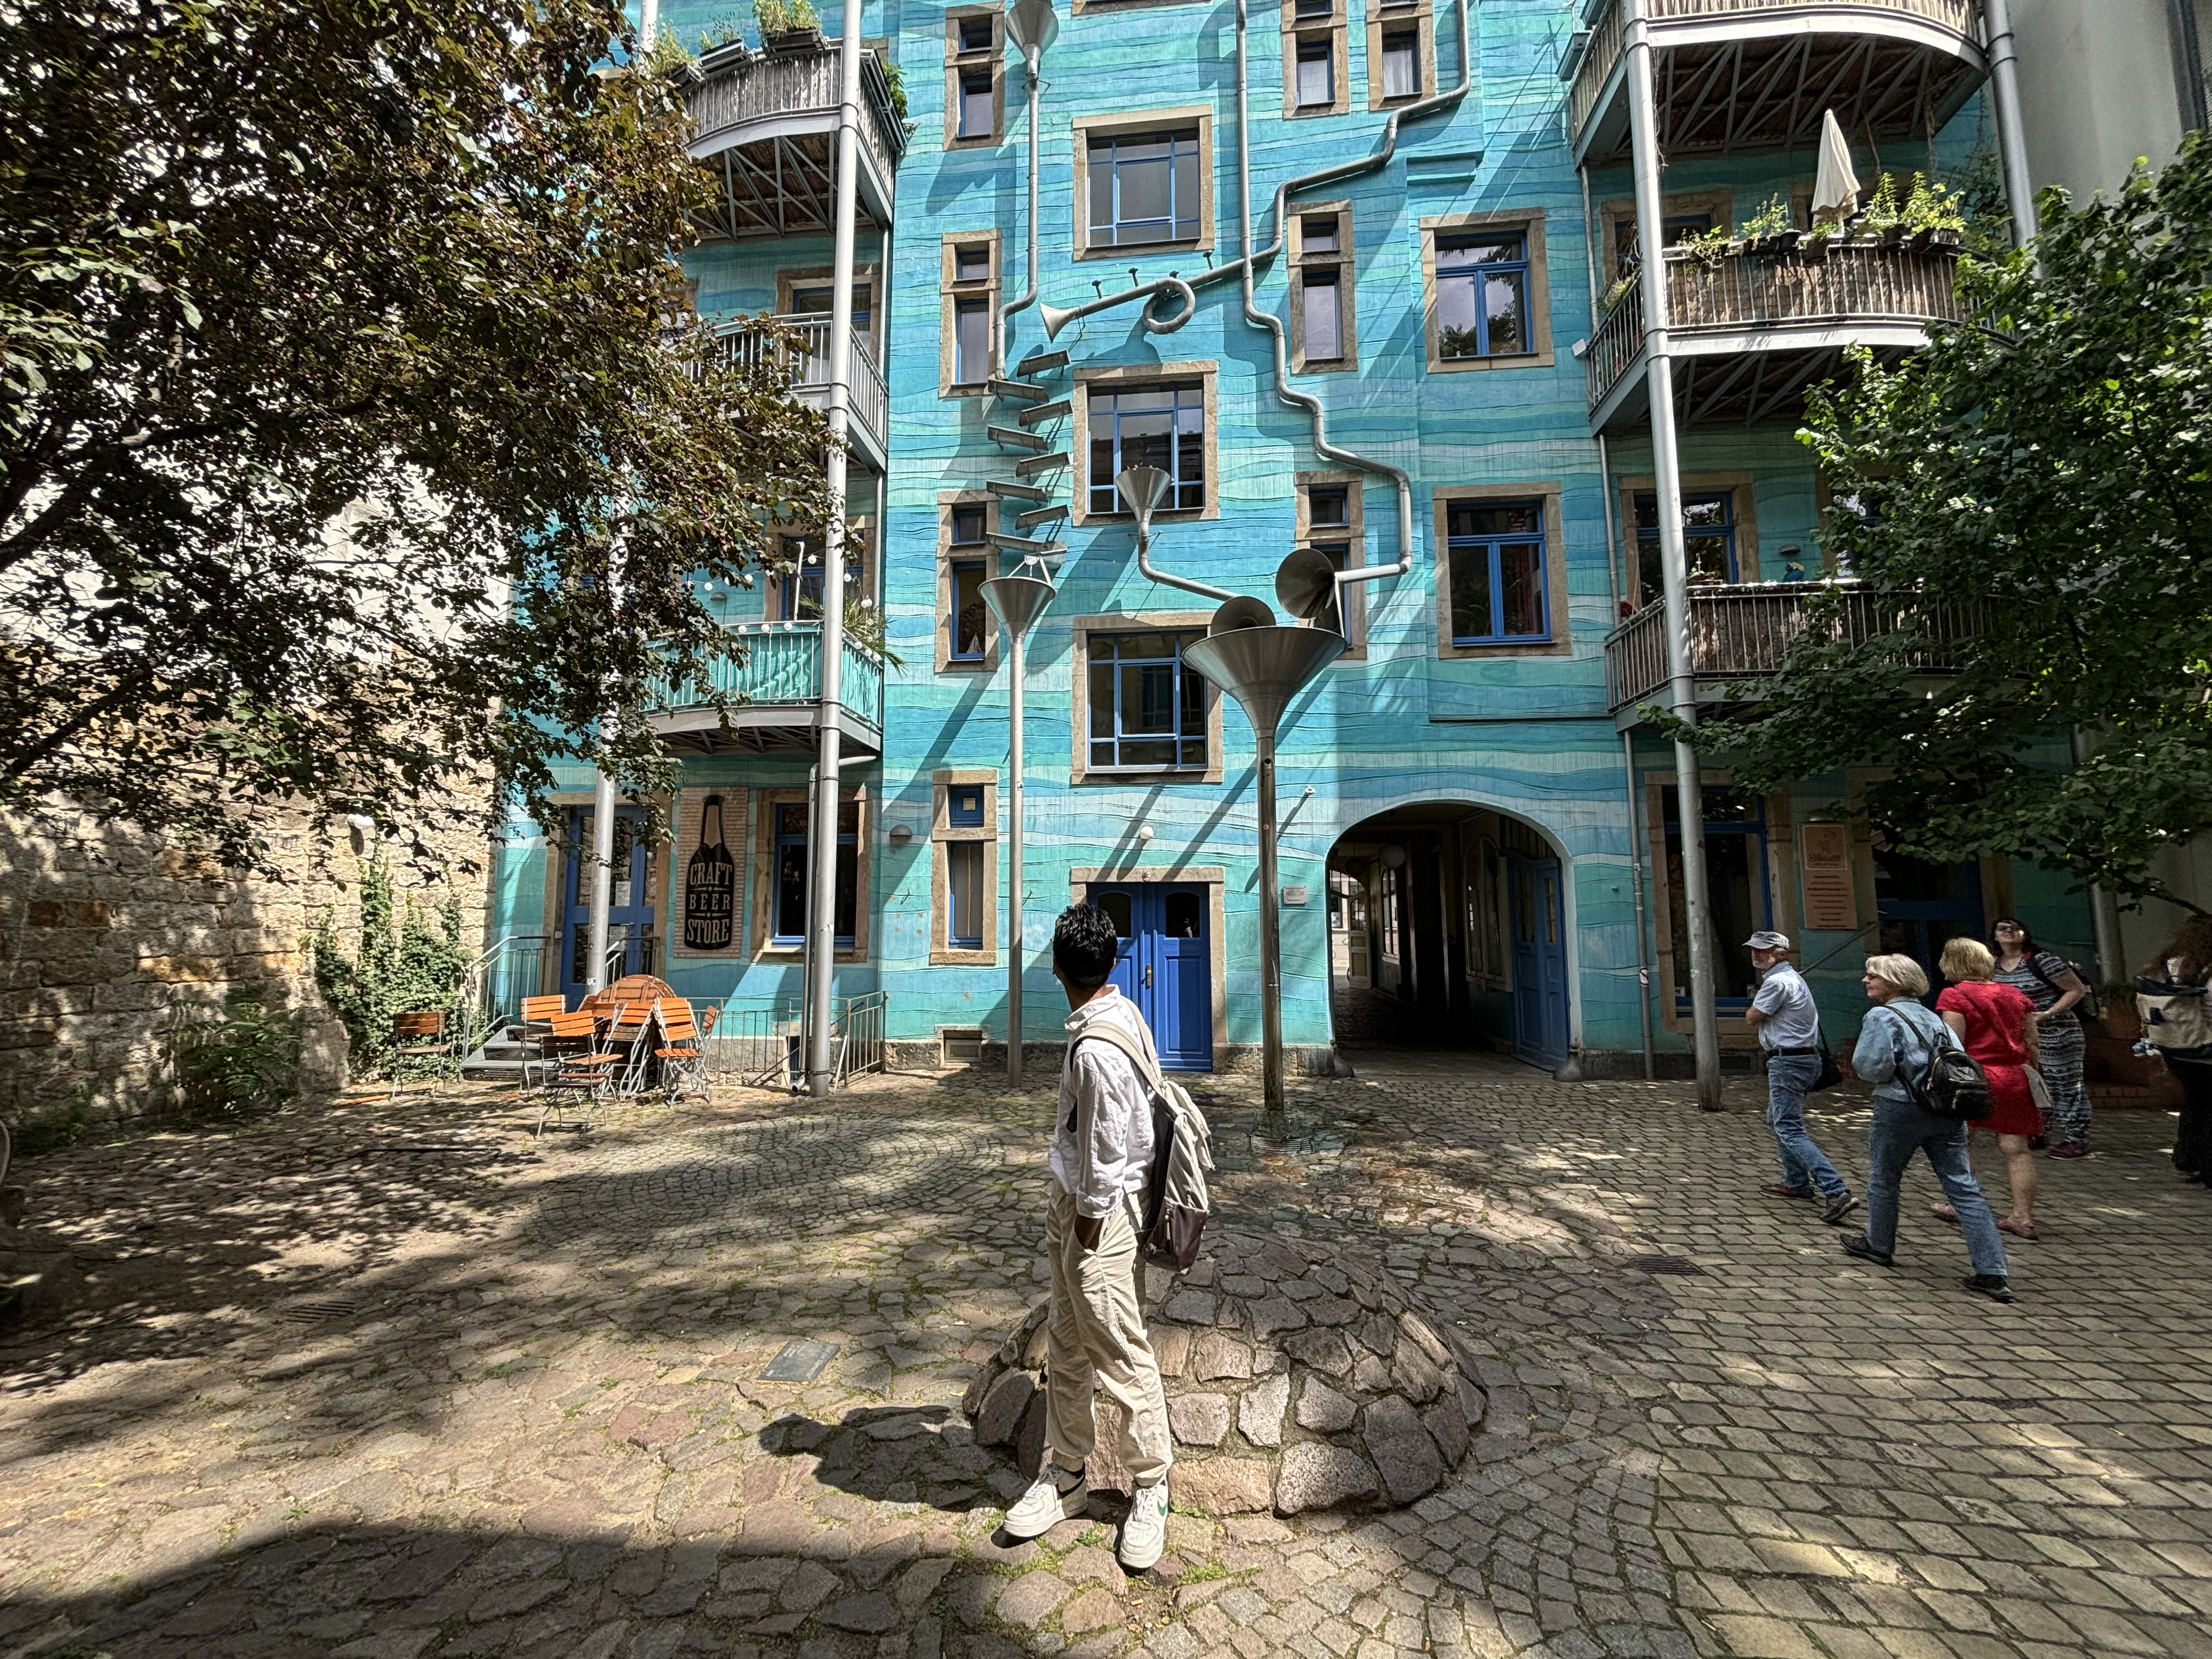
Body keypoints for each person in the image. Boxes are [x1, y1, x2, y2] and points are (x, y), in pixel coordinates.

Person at [1000, 902, 1174, 1570]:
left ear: (1054, 967)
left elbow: (1107, 1151)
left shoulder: (1099, 1046)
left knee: (1120, 1349)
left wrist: (1087, 1228)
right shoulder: (1117, 1013)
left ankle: (1152, 1484)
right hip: (1078, 1205)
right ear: (1110, 964)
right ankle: (1067, 1472)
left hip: (1098, 1217)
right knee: (1068, 1344)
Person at [1839, 952, 2014, 1302]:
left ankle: (1878, 1245)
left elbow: (1871, 1067)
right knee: (1964, 1188)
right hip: (1947, 1108)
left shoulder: (1881, 1015)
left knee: (1885, 1177)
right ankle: (1992, 1271)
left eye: (1873, 975)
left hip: (1900, 1107)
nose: (1866, 981)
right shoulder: (1936, 1018)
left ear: (1895, 982)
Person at [1930, 937, 2042, 1240]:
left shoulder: (1955, 995)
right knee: (2017, 1151)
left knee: (1960, 1142)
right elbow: (2032, 1041)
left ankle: (1962, 1204)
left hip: (1975, 1079)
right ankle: (2023, 1216)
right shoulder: (2014, 994)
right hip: (2015, 1077)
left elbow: (1955, 1045)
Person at [1743, 930, 1857, 1224]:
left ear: (1781, 954)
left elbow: (1752, 1017)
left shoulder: (1778, 982)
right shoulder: (1791, 978)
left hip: (1789, 1061)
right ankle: (1796, 1182)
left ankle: (1836, 1190)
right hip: (1803, 1058)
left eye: (1763, 950)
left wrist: (1756, 1006)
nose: (1756, 954)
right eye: (1754, 949)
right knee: (1777, 1119)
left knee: (1789, 1127)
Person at [1990, 919, 2095, 1157]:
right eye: (2002, 928)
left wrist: (2047, 1013)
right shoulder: (1993, 965)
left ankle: (2076, 1139)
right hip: (2022, 1037)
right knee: (2033, 1083)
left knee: (2065, 1084)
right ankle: (2038, 1130)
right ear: (1994, 936)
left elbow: (2076, 990)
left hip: (2059, 1033)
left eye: (2014, 928)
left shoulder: (2042, 960)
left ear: (2024, 934)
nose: (2008, 931)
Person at [2141, 914, 2212, 1184]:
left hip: (2176, 1047)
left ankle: (2189, 1160)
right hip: (2206, 1047)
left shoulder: (2169, 965)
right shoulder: (2208, 969)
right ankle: (2208, 1168)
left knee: (2195, 1105)